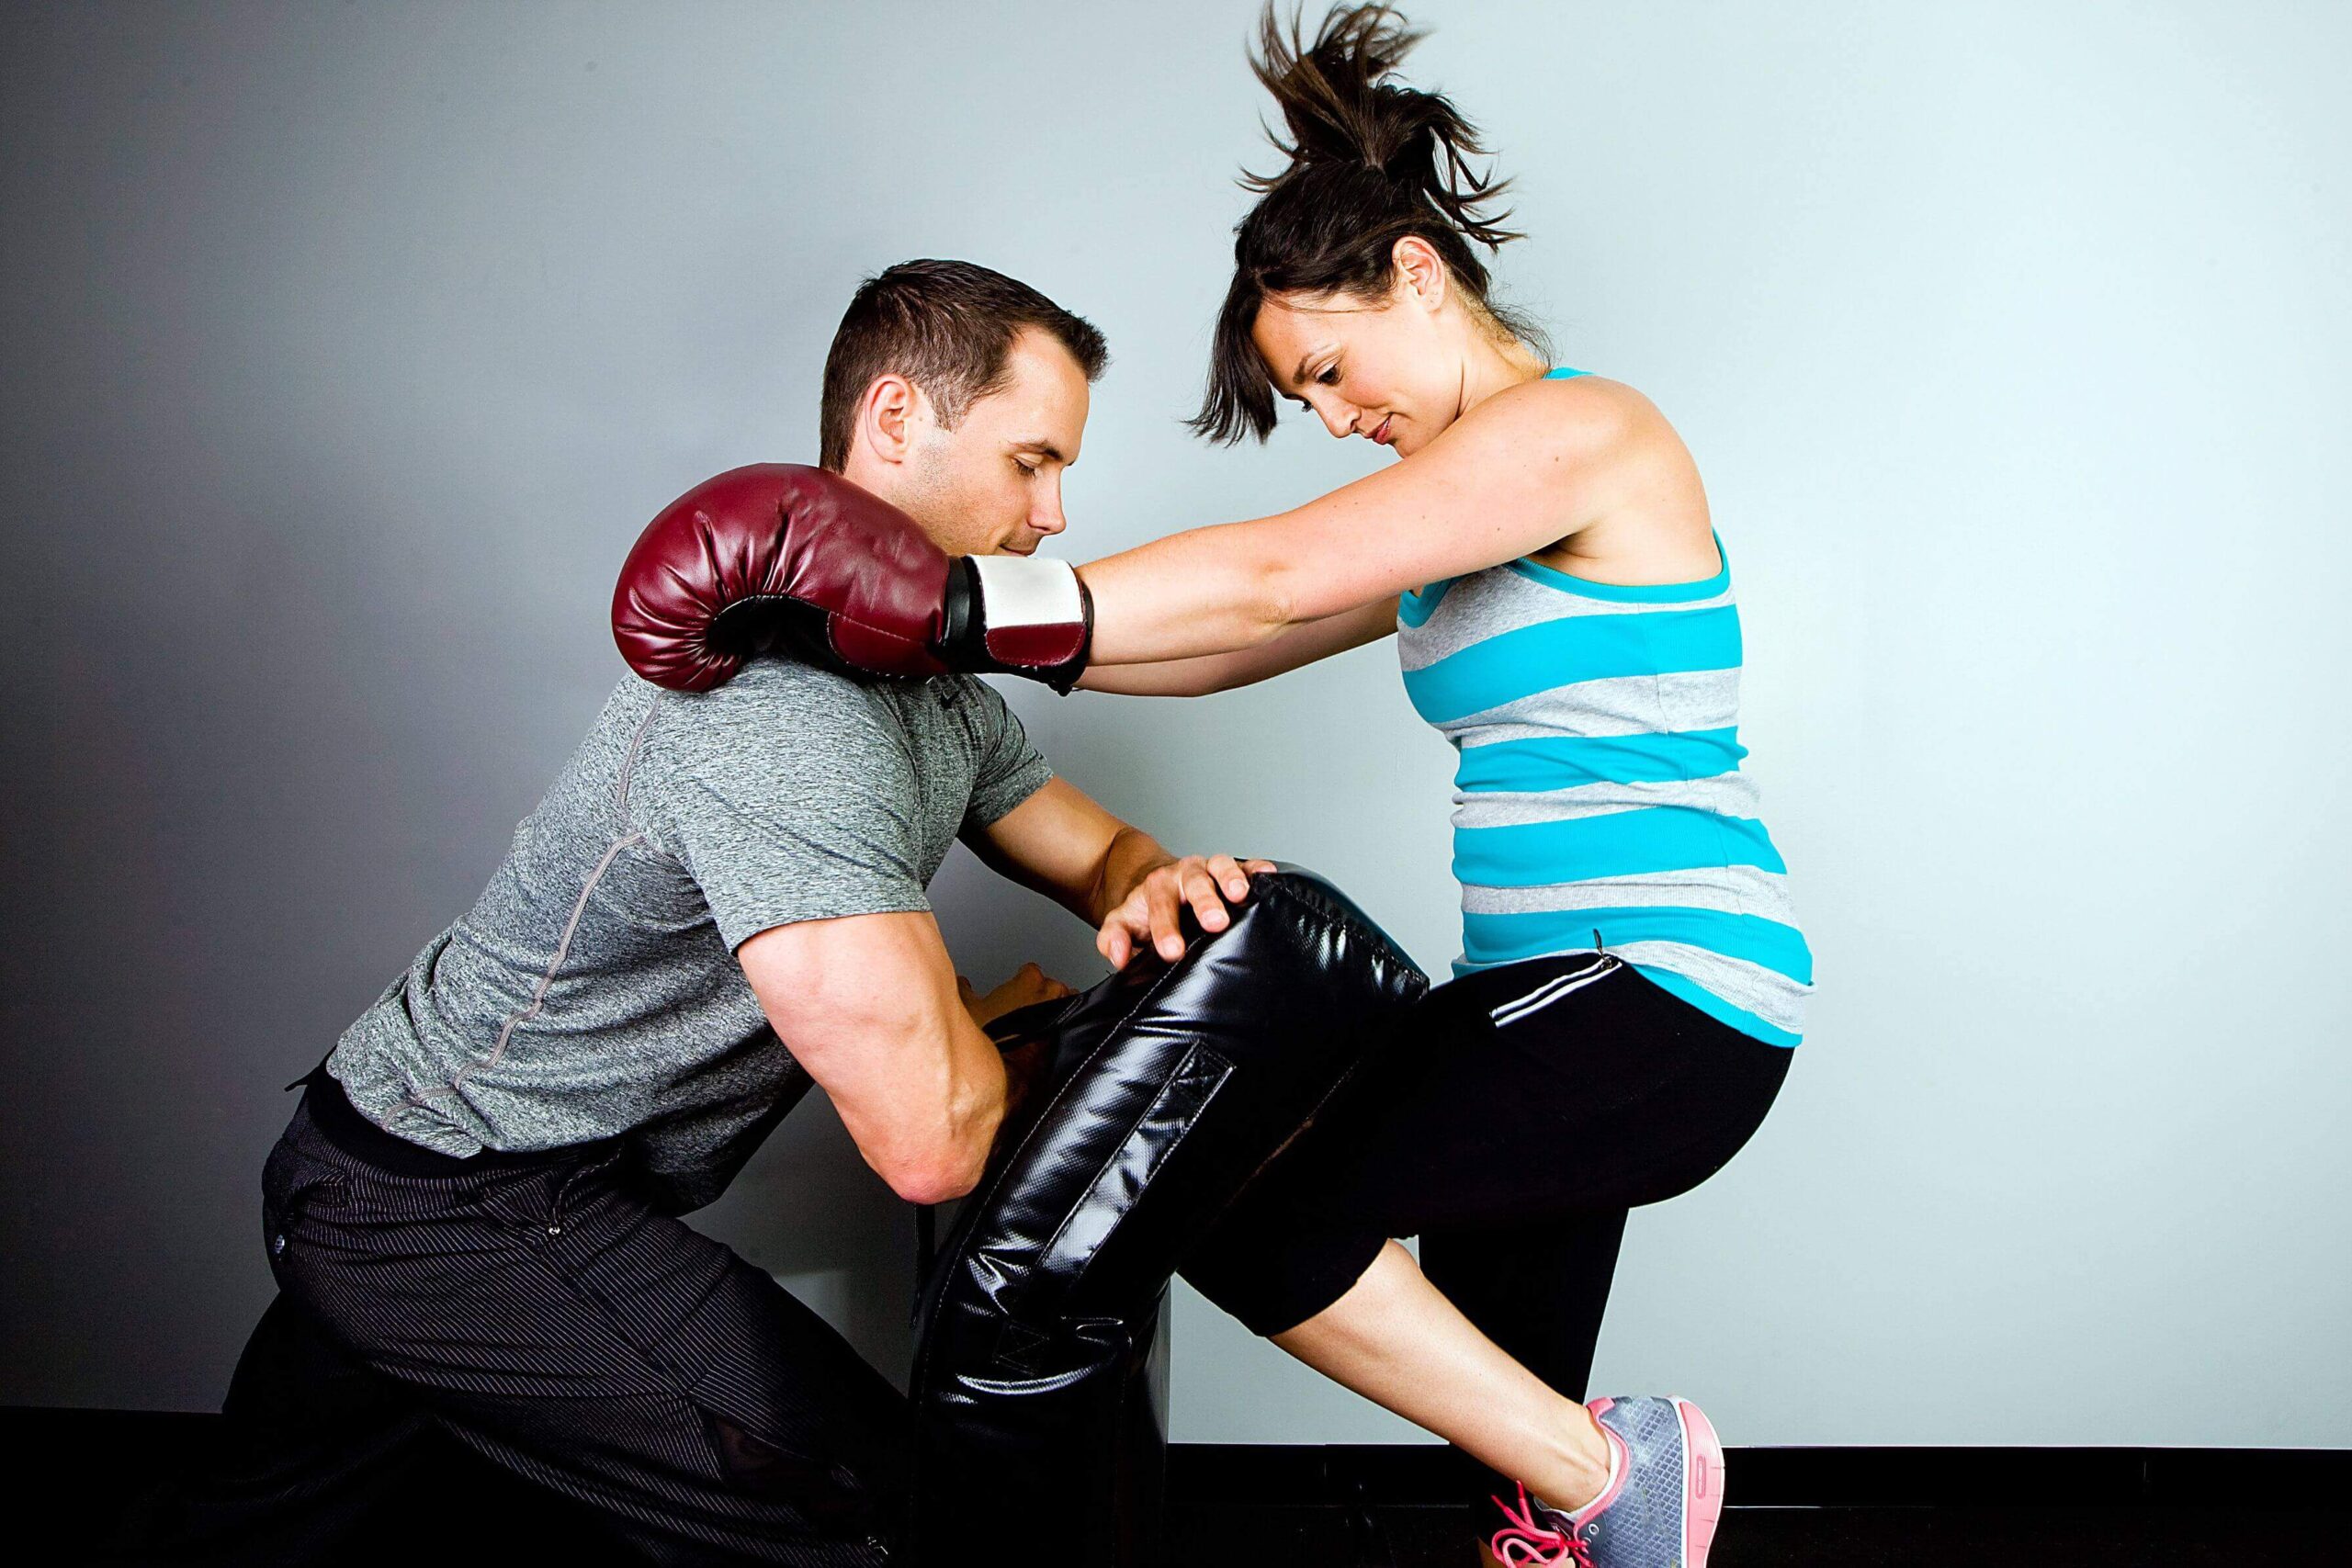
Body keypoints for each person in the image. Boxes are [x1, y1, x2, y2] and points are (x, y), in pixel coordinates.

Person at [646, 8, 1813, 1564]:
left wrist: (949, 600)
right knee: (1513, 1402)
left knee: (1251, 1193)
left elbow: (1264, 579)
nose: (1334, 421)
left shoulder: (1582, 433)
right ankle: (1589, 1502)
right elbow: (1220, 650)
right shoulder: (1458, 514)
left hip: (1663, 987)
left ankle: (1622, 1478)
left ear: (1415, 274)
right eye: (1306, 400)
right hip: (1544, 989)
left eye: (1328, 371)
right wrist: (942, 643)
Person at [130, 259, 1275, 1566]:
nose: (1052, 513)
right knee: (857, 1512)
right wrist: (987, 1027)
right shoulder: (784, 711)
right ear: (895, 420)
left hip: (438, 1168)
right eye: (1029, 462)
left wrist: (1153, 883)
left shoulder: (938, 694)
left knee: (254, 1535)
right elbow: (930, 1146)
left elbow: (1099, 849)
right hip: (445, 1200)